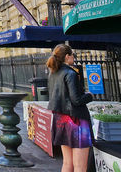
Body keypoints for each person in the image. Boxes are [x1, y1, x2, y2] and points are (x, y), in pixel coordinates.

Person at [47, 44, 93, 172]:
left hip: (61, 120)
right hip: (76, 121)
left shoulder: (53, 73)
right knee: (80, 166)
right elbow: (76, 100)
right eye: (73, 55)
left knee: (67, 163)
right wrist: (89, 96)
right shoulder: (71, 73)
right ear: (67, 57)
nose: (73, 57)